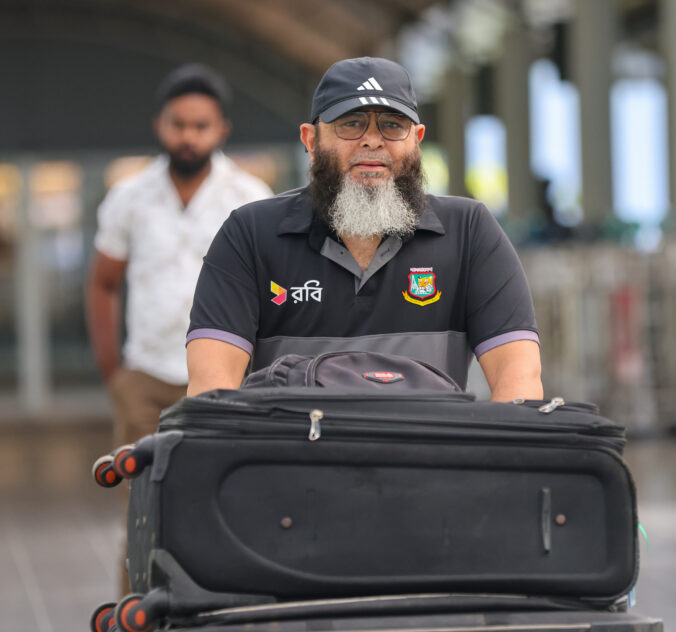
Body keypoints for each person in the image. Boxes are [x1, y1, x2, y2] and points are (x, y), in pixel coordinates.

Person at [185, 56, 541, 402]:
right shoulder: (249, 234)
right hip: (297, 445)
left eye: (392, 124)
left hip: (429, 445)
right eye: (351, 123)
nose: (372, 140)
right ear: (311, 141)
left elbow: (519, 379)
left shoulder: (469, 231)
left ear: (417, 139)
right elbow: (211, 392)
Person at [87, 64, 273, 447]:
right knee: (140, 483)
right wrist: (114, 374)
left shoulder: (250, 198)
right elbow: (103, 283)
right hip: (146, 376)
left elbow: (272, 286)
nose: (188, 136)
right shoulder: (129, 197)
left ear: (221, 130)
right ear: (160, 125)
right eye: (178, 124)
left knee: (217, 478)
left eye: (200, 126)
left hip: (226, 375)